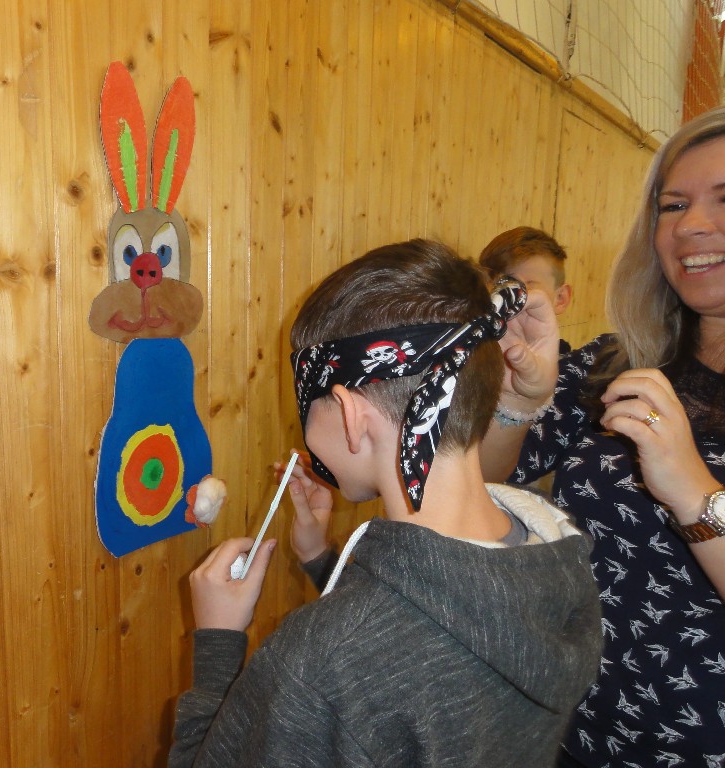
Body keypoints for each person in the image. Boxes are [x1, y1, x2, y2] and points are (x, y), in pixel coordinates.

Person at [169, 240, 602, 767]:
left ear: (350, 415)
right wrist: (321, 559)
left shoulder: (316, 667)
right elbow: (438, 622)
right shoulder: (556, 555)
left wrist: (217, 642)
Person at [481, 107, 725, 767]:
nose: (692, 225)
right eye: (673, 205)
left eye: (723, 198)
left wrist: (695, 493)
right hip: (577, 730)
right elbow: (489, 481)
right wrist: (516, 402)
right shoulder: (617, 362)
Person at [479, 226, 574, 354]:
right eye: (494, 291)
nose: (506, 303)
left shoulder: (573, 365)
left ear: (561, 299)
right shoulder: (467, 356)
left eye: (521, 291)